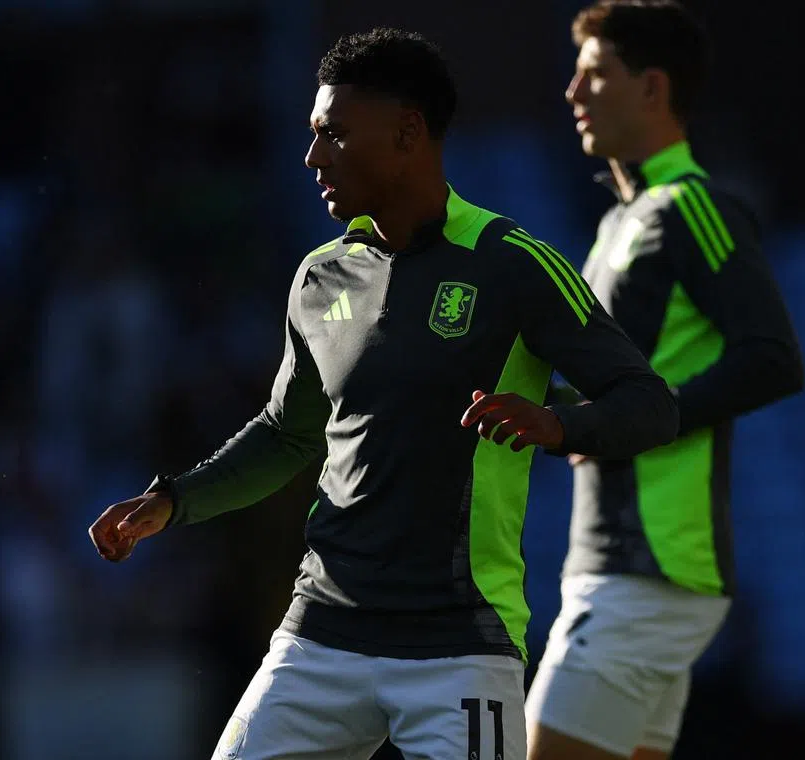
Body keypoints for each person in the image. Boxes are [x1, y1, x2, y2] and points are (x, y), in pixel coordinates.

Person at [90, 27, 678, 760]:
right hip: (323, 633)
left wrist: (556, 425)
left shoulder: (512, 265)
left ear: (407, 134)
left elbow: (650, 405)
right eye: (311, 135)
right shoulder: (318, 278)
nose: (312, 157)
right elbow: (288, 433)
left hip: (459, 643)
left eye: (333, 135)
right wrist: (175, 500)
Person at [524, 3, 805, 759]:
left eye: (594, 74)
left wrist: (629, 421)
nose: (573, 92)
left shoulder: (693, 206)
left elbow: (773, 357)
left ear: (652, 89)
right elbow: (607, 400)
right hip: (618, 572)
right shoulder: (620, 223)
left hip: (646, 571)